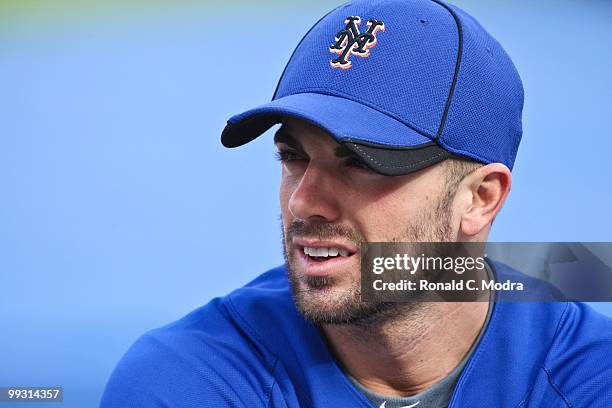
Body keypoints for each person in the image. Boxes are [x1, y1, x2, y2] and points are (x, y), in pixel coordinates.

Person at [101, 0, 612, 406]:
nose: (304, 203)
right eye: (293, 157)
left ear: (480, 198)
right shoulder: (189, 378)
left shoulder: (590, 377)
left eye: (361, 163)